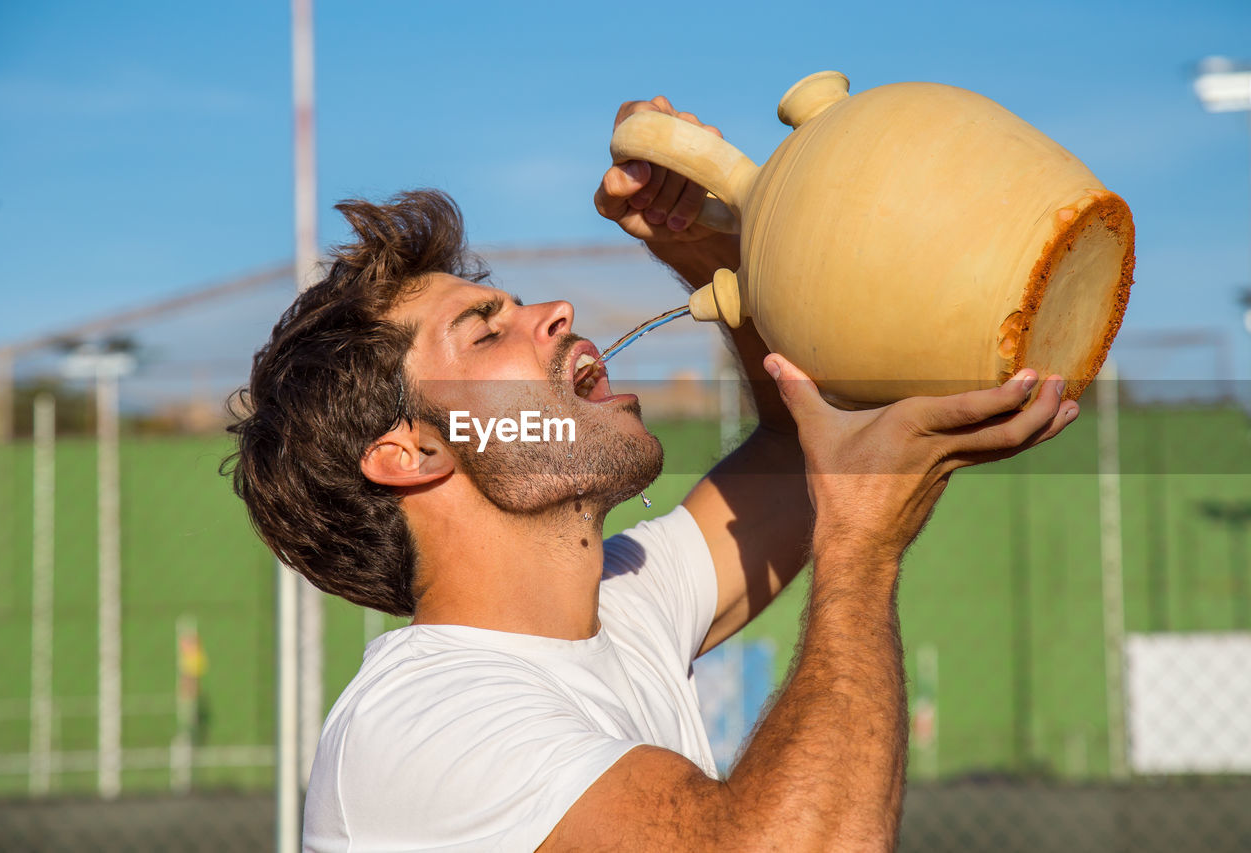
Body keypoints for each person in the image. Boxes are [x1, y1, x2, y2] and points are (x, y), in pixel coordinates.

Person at [227, 96, 1079, 852]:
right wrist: (861, 550)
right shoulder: (422, 725)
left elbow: (795, 453)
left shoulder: (619, 604)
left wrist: (708, 246)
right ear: (411, 453)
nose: (553, 311)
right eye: (486, 333)